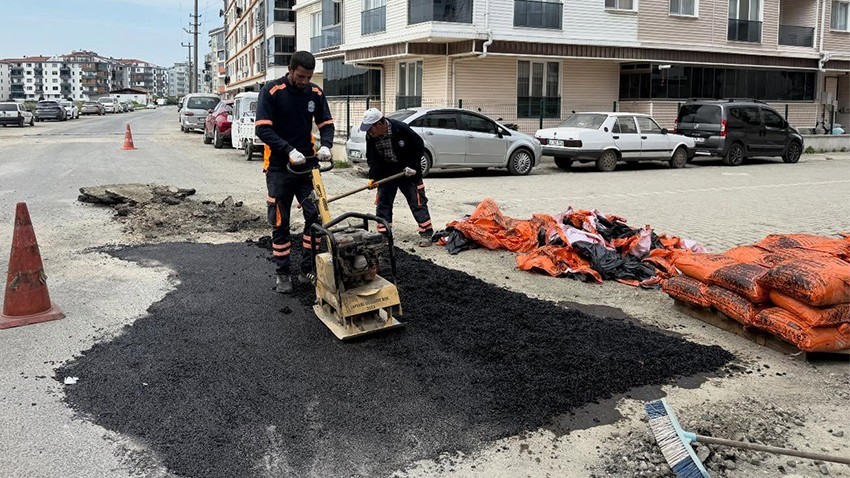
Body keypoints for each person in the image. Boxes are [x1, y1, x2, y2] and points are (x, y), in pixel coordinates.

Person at [255, 51, 334, 293]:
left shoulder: (315, 93)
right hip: (279, 168)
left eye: (308, 77)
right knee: (281, 221)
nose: (304, 81)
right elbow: (262, 130)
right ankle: (283, 273)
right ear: (290, 70)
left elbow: (326, 124)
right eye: (300, 76)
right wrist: (288, 149)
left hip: (307, 167)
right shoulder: (271, 92)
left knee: (316, 218)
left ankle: (307, 268)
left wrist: (327, 145)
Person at [360, 108, 433, 247]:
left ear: (380, 124)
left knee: (417, 201)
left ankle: (426, 233)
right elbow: (373, 158)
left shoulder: (401, 129)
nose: (369, 132)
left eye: (370, 128)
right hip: (387, 172)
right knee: (383, 202)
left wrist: (412, 165)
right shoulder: (371, 136)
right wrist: (373, 177)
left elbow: (419, 146)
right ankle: (384, 235)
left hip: (408, 172)